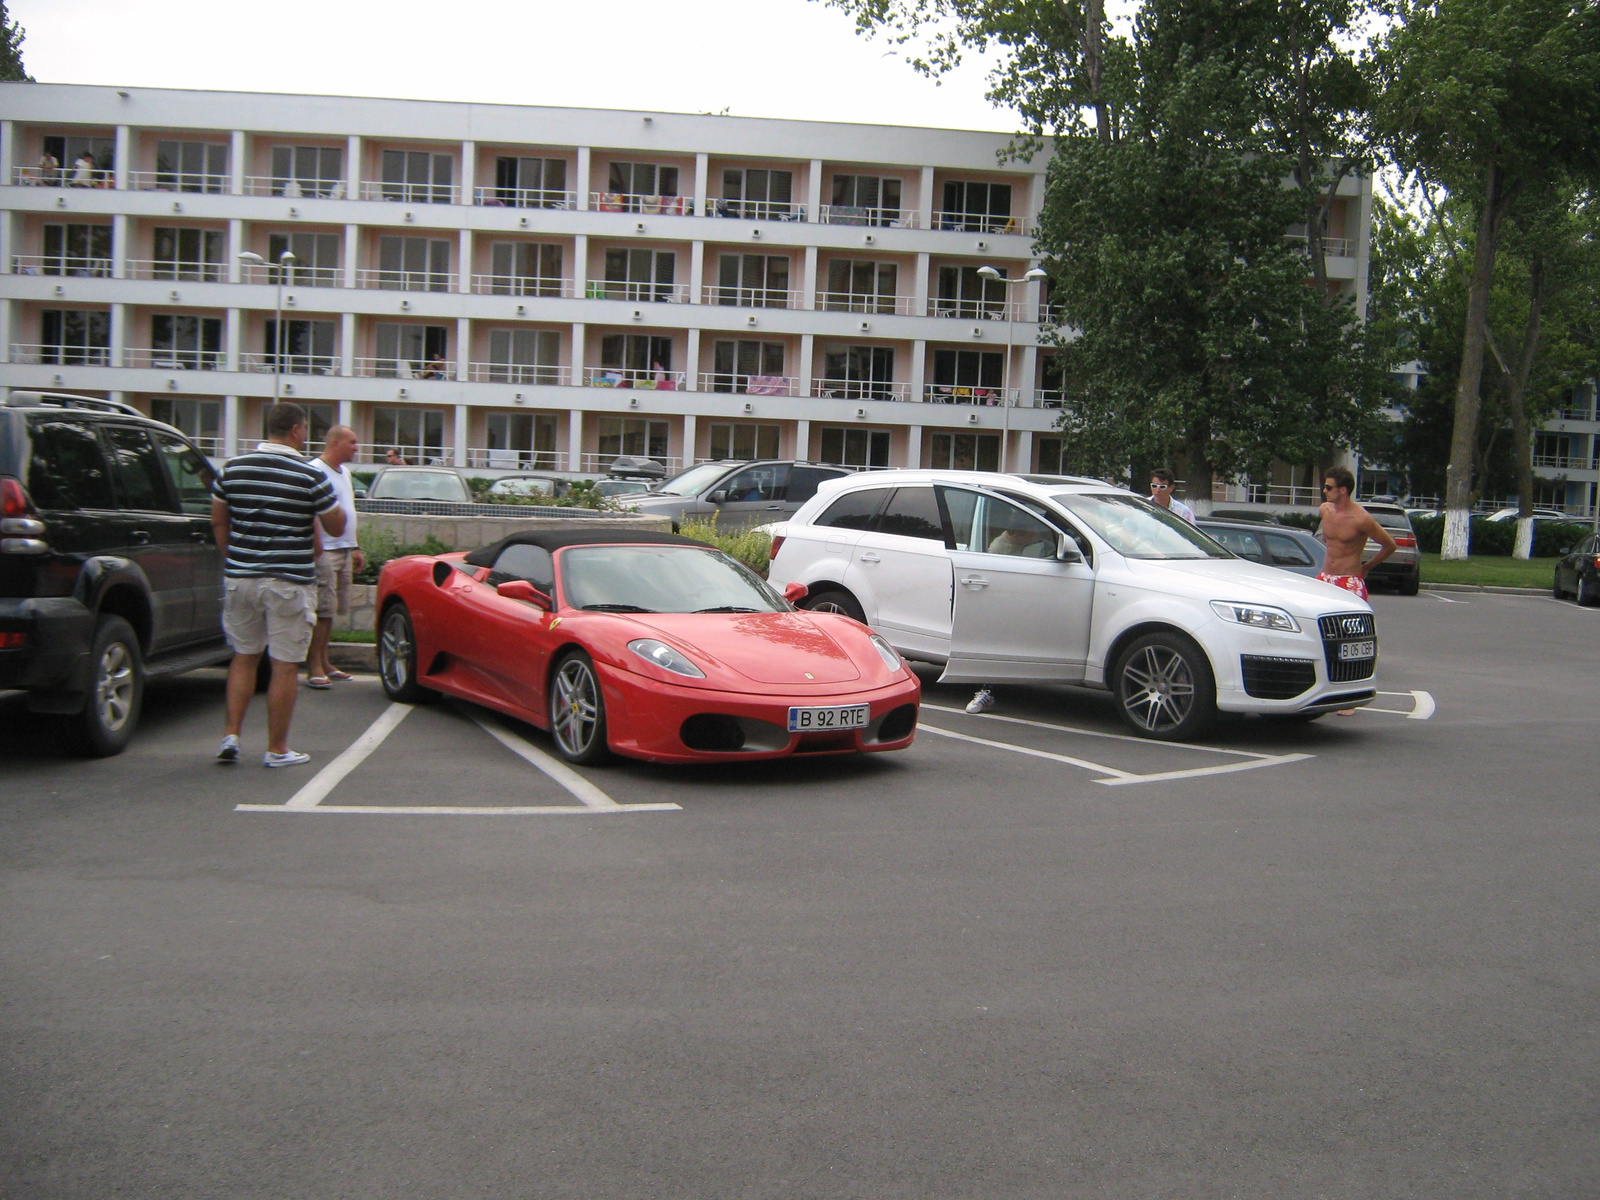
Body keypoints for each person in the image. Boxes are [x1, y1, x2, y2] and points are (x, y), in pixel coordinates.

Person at [211, 402, 345, 767]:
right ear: (297, 431)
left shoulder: (233, 469)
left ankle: (231, 736)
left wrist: (234, 557)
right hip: (288, 580)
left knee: (244, 657)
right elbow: (334, 526)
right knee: (284, 664)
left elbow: (219, 521)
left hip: (241, 578)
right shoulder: (308, 474)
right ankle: (277, 749)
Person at [304, 426, 366, 690]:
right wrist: (317, 549)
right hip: (325, 550)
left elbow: (348, 510)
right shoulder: (315, 470)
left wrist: (355, 547)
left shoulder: (346, 473)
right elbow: (310, 514)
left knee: (333, 610)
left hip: (343, 547)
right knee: (323, 610)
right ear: (335, 442)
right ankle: (313, 666)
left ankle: (325, 661)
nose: (356, 447)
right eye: (351, 442)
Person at [1316, 466, 1396, 602]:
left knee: (1349, 622)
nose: (1325, 491)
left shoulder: (1361, 518)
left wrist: (1367, 567)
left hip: (1348, 580)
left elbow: (1389, 545)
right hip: (1325, 577)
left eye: (1329, 487)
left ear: (1342, 490)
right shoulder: (1325, 510)